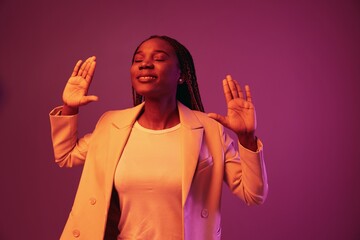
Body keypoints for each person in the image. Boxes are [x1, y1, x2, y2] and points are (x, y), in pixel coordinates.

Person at [49, 35, 268, 240]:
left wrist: (246, 138)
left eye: (159, 58)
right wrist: (70, 107)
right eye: (138, 59)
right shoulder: (111, 125)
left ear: (181, 74)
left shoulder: (209, 129)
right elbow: (66, 156)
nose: (145, 64)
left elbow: (253, 194)